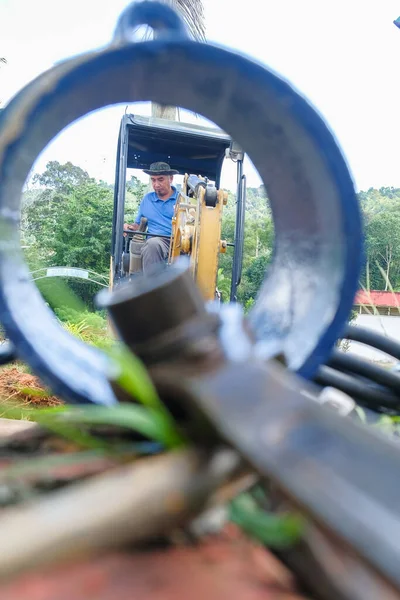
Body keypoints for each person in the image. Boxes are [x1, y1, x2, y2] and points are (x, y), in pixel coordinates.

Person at [124, 162, 179, 274]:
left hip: (177, 241)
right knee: (152, 245)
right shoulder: (147, 200)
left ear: (171, 179)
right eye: (153, 180)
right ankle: (151, 288)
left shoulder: (182, 200)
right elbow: (138, 225)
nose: (156, 184)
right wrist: (129, 227)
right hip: (155, 242)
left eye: (160, 179)